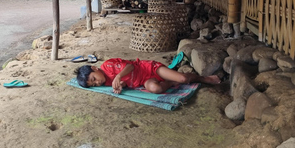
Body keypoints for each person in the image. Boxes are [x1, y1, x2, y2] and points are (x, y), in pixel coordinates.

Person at [75, 58, 220, 94]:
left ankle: (203, 78)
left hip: (147, 69)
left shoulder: (108, 65)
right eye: (93, 85)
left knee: (183, 78)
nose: (97, 83)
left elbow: (130, 66)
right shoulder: (106, 83)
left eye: (94, 79)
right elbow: (126, 82)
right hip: (144, 81)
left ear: (95, 68)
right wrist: (121, 86)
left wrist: (118, 76)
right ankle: (170, 82)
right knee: (155, 88)